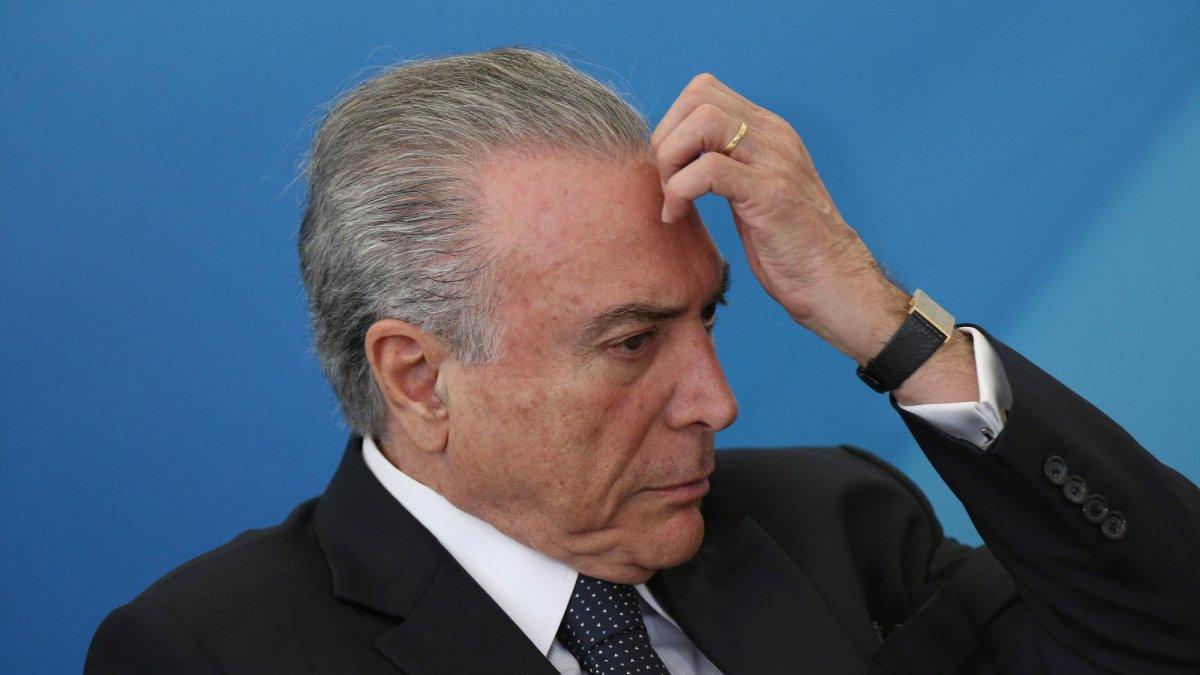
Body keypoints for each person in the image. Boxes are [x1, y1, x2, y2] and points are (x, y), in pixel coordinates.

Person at [85, 46, 1200, 674]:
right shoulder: (210, 653)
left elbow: (1170, 633)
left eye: (708, 319)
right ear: (419, 378)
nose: (716, 401)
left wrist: (885, 324)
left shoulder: (838, 525)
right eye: (631, 343)